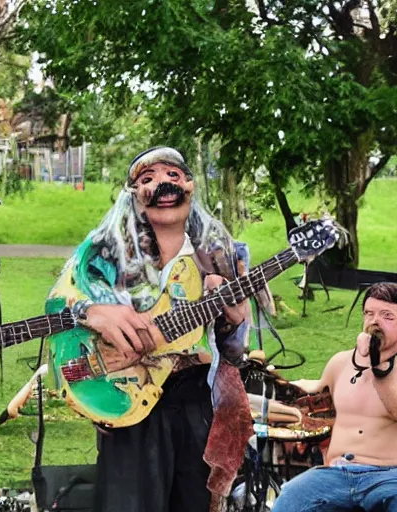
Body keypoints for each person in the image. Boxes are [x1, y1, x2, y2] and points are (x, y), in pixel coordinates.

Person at [45, 146, 256, 511]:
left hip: (195, 403)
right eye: (148, 179)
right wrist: (93, 310)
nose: (163, 184)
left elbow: (233, 352)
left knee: (194, 501)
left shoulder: (217, 253)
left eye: (173, 176)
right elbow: (58, 301)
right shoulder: (105, 253)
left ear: (189, 185)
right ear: (135, 197)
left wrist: (235, 321)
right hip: (129, 399)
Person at [274, 282, 397, 511]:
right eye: (369, 314)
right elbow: (315, 391)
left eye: (387, 316)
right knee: (291, 498)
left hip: (388, 475)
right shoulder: (341, 362)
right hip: (337, 474)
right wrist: (278, 383)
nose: (374, 321)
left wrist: (376, 363)